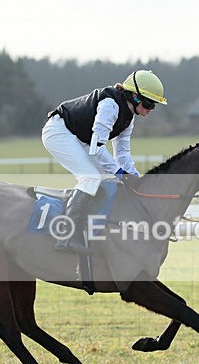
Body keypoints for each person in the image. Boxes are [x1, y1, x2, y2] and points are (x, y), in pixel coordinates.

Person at [42, 70, 167, 254]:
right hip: (58, 132)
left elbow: (122, 153)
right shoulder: (110, 105)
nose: (150, 110)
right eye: (149, 104)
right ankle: (66, 235)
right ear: (134, 97)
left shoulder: (128, 118)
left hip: (78, 137)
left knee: (108, 180)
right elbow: (97, 148)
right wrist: (119, 173)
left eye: (154, 106)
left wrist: (134, 177)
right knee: (91, 177)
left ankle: (92, 228)